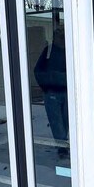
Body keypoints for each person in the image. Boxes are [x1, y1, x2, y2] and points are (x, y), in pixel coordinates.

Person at [34, 26, 69, 156]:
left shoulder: (72, 50)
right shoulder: (48, 51)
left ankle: (64, 144)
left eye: (63, 34)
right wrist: (47, 87)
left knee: (67, 120)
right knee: (56, 122)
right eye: (58, 34)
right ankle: (62, 148)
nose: (61, 37)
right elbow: (38, 71)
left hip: (68, 92)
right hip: (52, 93)